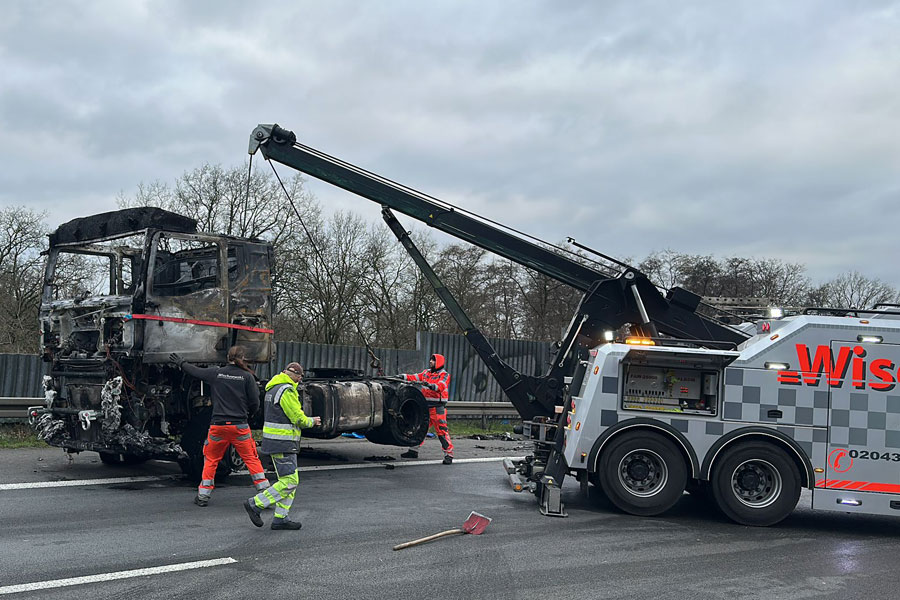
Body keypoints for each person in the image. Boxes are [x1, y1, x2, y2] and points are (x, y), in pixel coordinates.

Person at [169, 345, 270, 506]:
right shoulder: (247, 377)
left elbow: (195, 371)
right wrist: (248, 414)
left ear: (227, 358)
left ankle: (203, 496)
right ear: (243, 359)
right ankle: (265, 495)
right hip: (239, 426)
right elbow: (255, 402)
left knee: (211, 460)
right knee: (251, 459)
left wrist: (181, 363)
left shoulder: (217, 373)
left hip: (218, 427)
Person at [244, 362, 321, 531]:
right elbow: (297, 417)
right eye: (299, 376)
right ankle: (256, 504)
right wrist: (312, 421)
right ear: (291, 373)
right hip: (283, 442)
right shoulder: (286, 390)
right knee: (290, 481)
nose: (300, 380)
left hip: (277, 441)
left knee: (289, 481)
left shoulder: (273, 387)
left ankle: (280, 518)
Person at [399, 353, 454, 464]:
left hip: (438, 408)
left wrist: (431, 385)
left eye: (433, 360)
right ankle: (413, 451)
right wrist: (402, 376)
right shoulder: (426, 373)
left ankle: (449, 454)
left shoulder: (444, 375)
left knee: (442, 432)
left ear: (438, 362)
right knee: (419, 429)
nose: (430, 362)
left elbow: (441, 386)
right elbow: (414, 377)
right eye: (430, 360)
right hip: (425, 407)